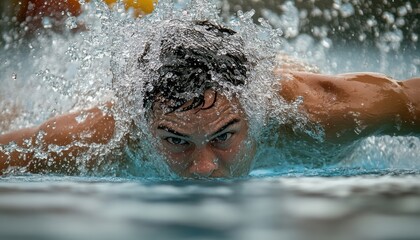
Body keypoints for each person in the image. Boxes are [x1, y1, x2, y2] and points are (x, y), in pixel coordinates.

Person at [1, 20, 419, 178]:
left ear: (255, 112)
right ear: (144, 127)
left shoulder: (325, 112)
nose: (203, 168)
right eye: (176, 141)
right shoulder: (103, 136)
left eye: (224, 136)